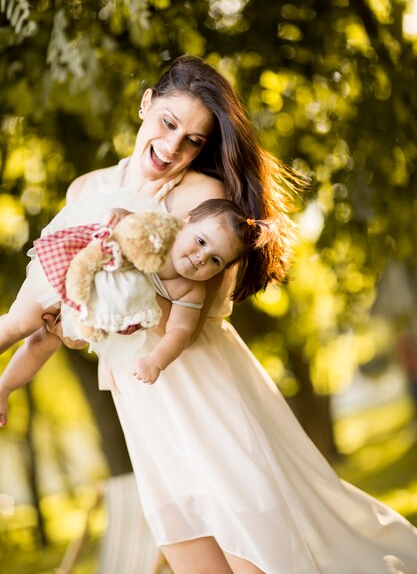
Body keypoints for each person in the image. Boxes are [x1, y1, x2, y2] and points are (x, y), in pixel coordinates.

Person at [2, 55, 417, 573]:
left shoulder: (204, 197)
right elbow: (54, 299)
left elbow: (175, 311)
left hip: (202, 390)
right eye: (168, 123)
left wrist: (86, 307)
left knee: (259, 551)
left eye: (193, 140)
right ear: (145, 104)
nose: (173, 146)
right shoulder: (85, 190)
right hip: (143, 401)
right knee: (191, 552)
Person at [0, 199, 256, 413]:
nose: (201, 258)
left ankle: (4, 388)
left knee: (43, 344)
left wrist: (156, 361)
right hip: (74, 267)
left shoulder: (191, 288)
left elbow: (180, 330)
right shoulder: (160, 230)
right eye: (201, 242)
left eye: (215, 260)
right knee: (22, 322)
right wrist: (120, 215)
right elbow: (129, 222)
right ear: (185, 221)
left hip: (93, 306)